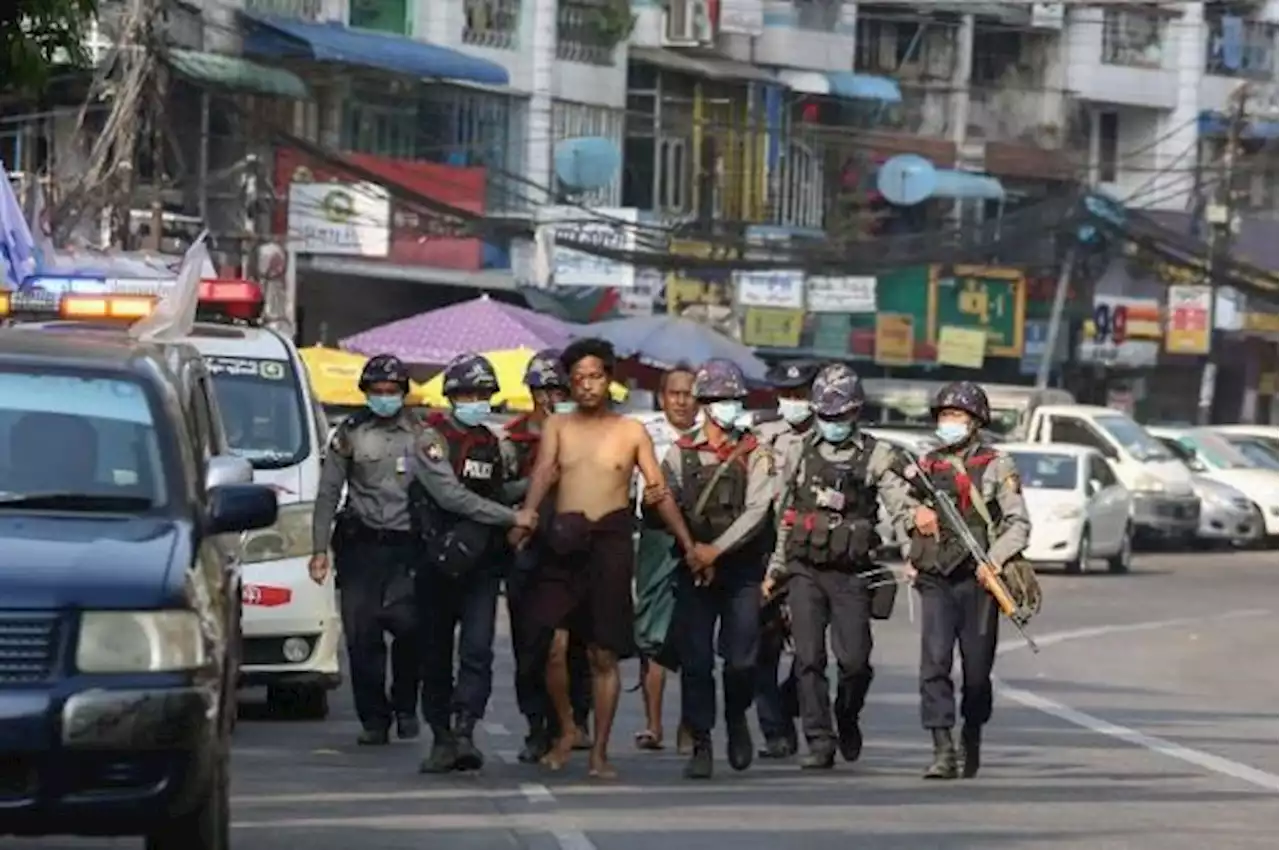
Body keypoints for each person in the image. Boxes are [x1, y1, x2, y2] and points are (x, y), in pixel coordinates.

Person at [514, 338, 702, 779]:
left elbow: (658, 491)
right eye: (578, 378)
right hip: (564, 539)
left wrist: (688, 543)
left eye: (595, 376)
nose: (586, 386)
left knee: (603, 654)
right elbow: (543, 472)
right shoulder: (558, 427)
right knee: (554, 648)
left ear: (609, 380)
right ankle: (566, 729)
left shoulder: (630, 431)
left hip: (612, 542)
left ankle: (599, 750)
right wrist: (525, 517)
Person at [762, 363, 917, 770]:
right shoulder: (798, 451)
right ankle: (819, 739)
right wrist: (776, 569)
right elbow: (786, 513)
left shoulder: (877, 455)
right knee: (808, 659)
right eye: (825, 415)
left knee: (854, 661)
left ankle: (847, 715)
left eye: (840, 415)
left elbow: (901, 508)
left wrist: (910, 553)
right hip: (804, 569)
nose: (832, 423)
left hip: (851, 573)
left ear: (856, 411)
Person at [409, 353, 539, 773]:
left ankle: (465, 729)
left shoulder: (490, 441)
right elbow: (451, 496)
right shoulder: (431, 439)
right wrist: (511, 517)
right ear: (450, 396)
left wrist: (537, 484)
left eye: (482, 394)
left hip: (482, 563)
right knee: (433, 652)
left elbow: (499, 491)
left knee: (478, 650)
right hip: (437, 561)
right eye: (467, 393)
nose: (475, 400)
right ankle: (441, 735)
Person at [904, 381, 1030, 780]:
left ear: (976, 422)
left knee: (976, 673)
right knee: (934, 663)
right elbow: (900, 510)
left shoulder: (997, 465)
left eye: (957, 416)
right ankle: (942, 748)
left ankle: (971, 731)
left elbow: (1018, 524)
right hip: (937, 577)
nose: (950, 423)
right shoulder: (925, 466)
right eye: (944, 416)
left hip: (979, 582)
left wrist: (992, 561)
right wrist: (912, 521)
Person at [657, 359, 775, 779]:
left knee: (741, 660)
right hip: (694, 570)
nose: (729, 407)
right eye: (721, 400)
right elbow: (661, 503)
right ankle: (702, 741)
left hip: (741, 570)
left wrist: (716, 551)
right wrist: (693, 551)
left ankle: (737, 719)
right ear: (705, 405)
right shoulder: (679, 453)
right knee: (696, 661)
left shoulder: (756, 452)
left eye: (734, 400)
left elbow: (758, 510)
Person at [310, 354, 423, 745]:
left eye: (392, 391)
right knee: (362, 637)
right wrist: (319, 548)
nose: (385, 398)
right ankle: (374, 720)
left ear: (403, 393)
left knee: (411, 630)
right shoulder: (349, 433)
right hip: (362, 546)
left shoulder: (422, 434)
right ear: (366, 393)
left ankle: (406, 706)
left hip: (409, 547)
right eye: (377, 391)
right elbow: (327, 492)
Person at [504, 350, 593, 763]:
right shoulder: (513, 438)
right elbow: (497, 495)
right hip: (529, 553)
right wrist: (531, 483)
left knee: (577, 645)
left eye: (558, 389)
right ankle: (537, 725)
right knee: (531, 648)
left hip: (576, 551)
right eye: (543, 390)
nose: (550, 398)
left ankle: (576, 719)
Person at [752, 359, 820, 759]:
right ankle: (774, 730)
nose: (793, 402)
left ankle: (788, 702)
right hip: (763, 550)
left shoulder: (832, 437)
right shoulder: (762, 436)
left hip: (812, 551)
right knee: (764, 648)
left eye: (800, 395)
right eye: (786, 395)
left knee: (812, 649)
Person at [633, 363, 699, 754]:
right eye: (674, 393)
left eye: (688, 393)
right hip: (655, 537)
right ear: (662, 397)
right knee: (651, 636)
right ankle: (652, 725)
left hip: (699, 536)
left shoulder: (710, 435)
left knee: (692, 635)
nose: (681, 401)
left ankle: (690, 727)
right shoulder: (643, 433)